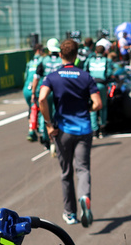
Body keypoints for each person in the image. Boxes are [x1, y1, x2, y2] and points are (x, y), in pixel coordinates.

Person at [39, 38, 102, 227]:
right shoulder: (85, 76)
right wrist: (87, 110)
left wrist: (49, 124)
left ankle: (70, 213)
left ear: (60, 55)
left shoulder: (53, 76)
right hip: (83, 128)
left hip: (62, 130)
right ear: (76, 56)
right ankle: (85, 197)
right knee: (83, 169)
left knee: (66, 172)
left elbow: (42, 99)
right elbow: (98, 103)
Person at [85, 40, 113, 136]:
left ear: (95, 52)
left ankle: (94, 129)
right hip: (101, 85)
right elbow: (109, 73)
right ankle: (103, 127)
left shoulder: (90, 60)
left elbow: (85, 72)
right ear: (104, 51)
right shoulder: (107, 60)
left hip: (91, 85)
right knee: (103, 106)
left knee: (93, 106)